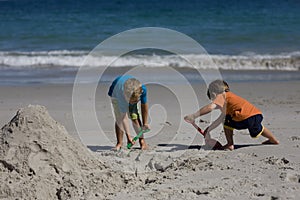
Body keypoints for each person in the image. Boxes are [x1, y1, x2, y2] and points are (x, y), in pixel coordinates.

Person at [184, 80, 279, 150]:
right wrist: (208, 129)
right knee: (259, 128)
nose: (215, 102)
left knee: (227, 122)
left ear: (213, 93)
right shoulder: (230, 99)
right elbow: (220, 119)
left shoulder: (221, 96)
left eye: (213, 99)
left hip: (242, 117)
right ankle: (273, 139)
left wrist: (194, 115)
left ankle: (230, 144)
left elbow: (210, 107)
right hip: (256, 115)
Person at [108, 75, 150, 150]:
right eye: (130, 101)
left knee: (135, 117)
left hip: (129, 93)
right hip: (115, 94)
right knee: (119, 119)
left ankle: (142, 141)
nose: (132, 103)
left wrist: (145, 123)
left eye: (135, 101)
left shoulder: (142, 89)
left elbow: (144, 106)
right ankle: (119, 143)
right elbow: (124, 118)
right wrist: (129, 136)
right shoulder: (120, 95)